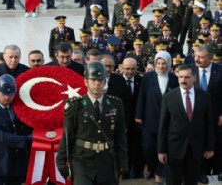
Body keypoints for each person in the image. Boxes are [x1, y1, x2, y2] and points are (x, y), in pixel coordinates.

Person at [56, 61, 128, 183]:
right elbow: (68, 136)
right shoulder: (75, 105)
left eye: (100, 80)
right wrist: (61, 161)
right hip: (81, 161)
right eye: (93, 80)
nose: (97, 83)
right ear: (85, 81)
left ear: (105, 82)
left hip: (106, 160)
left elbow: (120, 136)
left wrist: (123, 162)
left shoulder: (116, 104)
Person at [158, 65, 215, 185]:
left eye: (187, 77)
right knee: (173, 181)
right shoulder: (168, 97)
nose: (183, 80)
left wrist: (209, 147)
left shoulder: (205, 97)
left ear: (194, 78)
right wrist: (161, 150)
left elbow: (209, 124)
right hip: (173, 148)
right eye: (181, 77)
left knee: (192, 181)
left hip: (196, 147)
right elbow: (163, 125)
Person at [135, 51, 178, 184]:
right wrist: (139, 115)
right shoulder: (148, 77)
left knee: (164, 148)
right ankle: (150, 166)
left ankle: (159, 172)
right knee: (148, 147)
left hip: (167, 121)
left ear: (169, 64)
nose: (160, 66)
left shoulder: (174, 79)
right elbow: (142, 96)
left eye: (164, 63)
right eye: (158, 63)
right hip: (150, 119)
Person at [193, 44, 222, 182]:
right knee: (199, 143)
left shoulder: (220, 71)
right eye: (196, 56)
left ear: (211, 58)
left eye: (201, 57)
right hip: (195, 116)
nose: (197, 59)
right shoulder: (190, 70)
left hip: (216, 116)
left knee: (217, 143)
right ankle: (200, 172)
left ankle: (217, 171)